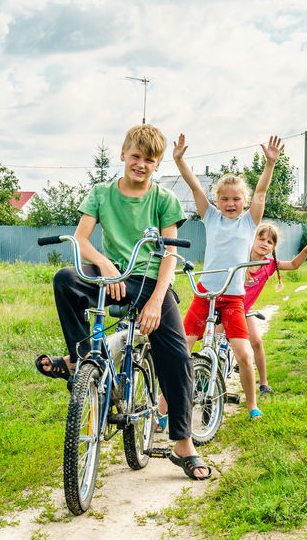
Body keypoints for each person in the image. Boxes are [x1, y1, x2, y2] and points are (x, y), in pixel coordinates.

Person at [34, 124, 211, 480]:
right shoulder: (101, 193)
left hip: (151, 282)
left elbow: (169, 254)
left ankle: (183, 443)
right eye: (135, 156)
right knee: (66, 280)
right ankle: (81, 359)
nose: (141, 164)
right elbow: (82, 239)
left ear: (157, 164)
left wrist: (156, 302)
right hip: (113, 276)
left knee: (177, 356)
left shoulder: (164, 199)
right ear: (123, 155)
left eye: (149, 160)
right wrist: (104, 264)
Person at [158, 133, 283, 423]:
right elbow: (194, 186)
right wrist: (180, 160)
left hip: (233, 298)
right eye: (224, 199)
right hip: (205, 294)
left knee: (244, 354)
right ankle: (162, 410)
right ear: (217, 200)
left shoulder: (249, 221)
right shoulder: (211, 217)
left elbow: (262, 192)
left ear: (245, 201)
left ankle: (252, 405)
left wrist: (270, 164)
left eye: (236, 199)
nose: (230, 203)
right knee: (181, 352)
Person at [243, 223, 307, 394]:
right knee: (218, 339)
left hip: (246, 310)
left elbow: (293, 265)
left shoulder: (269, 264)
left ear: (273, 247)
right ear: (253, 239)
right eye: (261, 239)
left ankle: (264, 384)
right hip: (228, 306)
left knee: (256, 342)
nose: (264, 243)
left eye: (270, 242)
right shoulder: (240, 258)